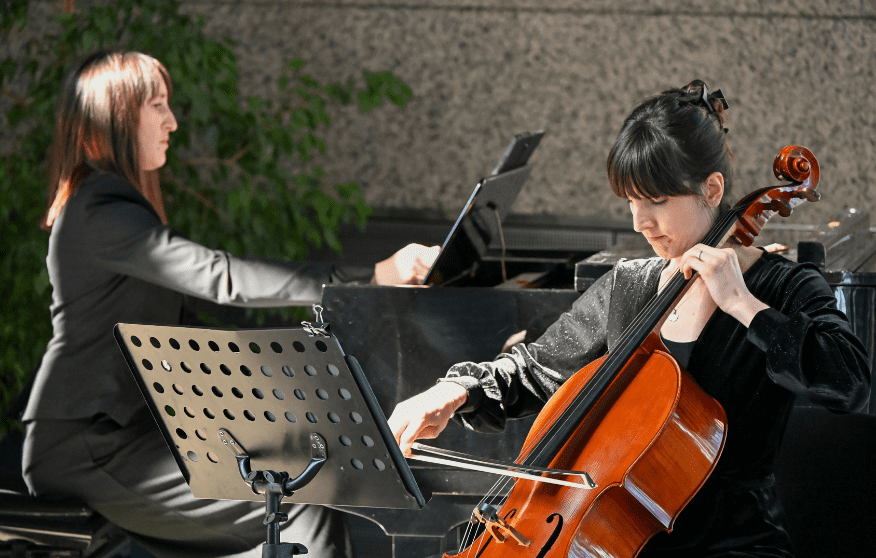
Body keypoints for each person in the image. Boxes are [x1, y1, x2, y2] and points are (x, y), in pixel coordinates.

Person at [388, 80, 871, 557]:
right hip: (614, 543)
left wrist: (745, 306)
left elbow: (849, 383)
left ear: (711, 189)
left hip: (733, 546)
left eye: (656, 201)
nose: (640, 222)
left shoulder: (783, 287)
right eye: (631, 202)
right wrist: (456, 390)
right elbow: (535, 369)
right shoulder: (630, 286)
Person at [21, 51, 438, 558]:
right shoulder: (101, 210)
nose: (172, 122)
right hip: (87, 447)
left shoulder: (104, 205)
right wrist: (372, 276)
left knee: (291, 490)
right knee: (297, 501)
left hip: (114, 438)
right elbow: (222, 278)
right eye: (158, 105)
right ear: (118, 115)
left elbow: (200, 319)